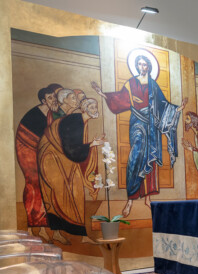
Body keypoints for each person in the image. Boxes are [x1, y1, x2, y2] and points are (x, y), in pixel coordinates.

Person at [91, 52, 187, 217]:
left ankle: (148, 199)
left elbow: (164, 105)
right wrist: (102, 93)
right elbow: (120, 99)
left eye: (144, 64)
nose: (142, 67)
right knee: (135, 158)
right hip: (137, 123)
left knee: (151, 159)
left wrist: (179, 109)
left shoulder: (153, 85)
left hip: (152, 126)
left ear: (149, 66)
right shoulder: (131, 83)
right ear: (136, 66)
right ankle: (130, 199)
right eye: (139, 64)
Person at [38, 98, 104, 244]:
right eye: (92, 107)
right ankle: (59, 232)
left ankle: (80, 235)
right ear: (84, 109)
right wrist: (92, 144)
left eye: (96, 106)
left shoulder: (80, 121)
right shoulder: (75, 121)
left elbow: (73, 148)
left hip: (62, 157)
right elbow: (72, 150)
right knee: (58, 193)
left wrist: (91, 144)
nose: (95, 109)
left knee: (74, 194)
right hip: (52, 158)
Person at [15, 85, 61, 241]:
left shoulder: (53, 113)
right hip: (27, 148)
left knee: (48, 183)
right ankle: (35, 225)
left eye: (54, 97)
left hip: (41, 149)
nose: (53, 100)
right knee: (34, 182)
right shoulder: (36, 114)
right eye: (50, 98)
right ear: (43, 101)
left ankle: (46, 226)